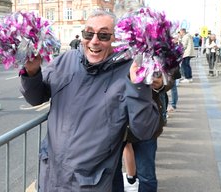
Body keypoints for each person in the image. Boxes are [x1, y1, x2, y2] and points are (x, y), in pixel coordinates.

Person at [20, 10, 162, 191]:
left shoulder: (129, 70)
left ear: (116, 39)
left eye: (103, 35)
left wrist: (139, 86)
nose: (94, 41)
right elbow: (35, 98)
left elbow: (144, 130)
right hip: (50, 177)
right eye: (89, 33)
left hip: (89, 183)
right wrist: (31, 72)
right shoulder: (66, 59)